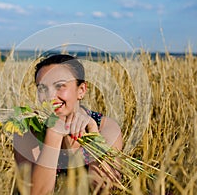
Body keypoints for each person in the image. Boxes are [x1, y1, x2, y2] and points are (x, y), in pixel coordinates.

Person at [13, 54, 123, 195]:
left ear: (81, 90)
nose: (50, 97)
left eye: (59, 86)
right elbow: (35, 193)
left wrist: (93, 133)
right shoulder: (28, 130)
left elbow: (103, 188)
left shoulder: (105, 127)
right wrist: (54, 134)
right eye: (42, 89)